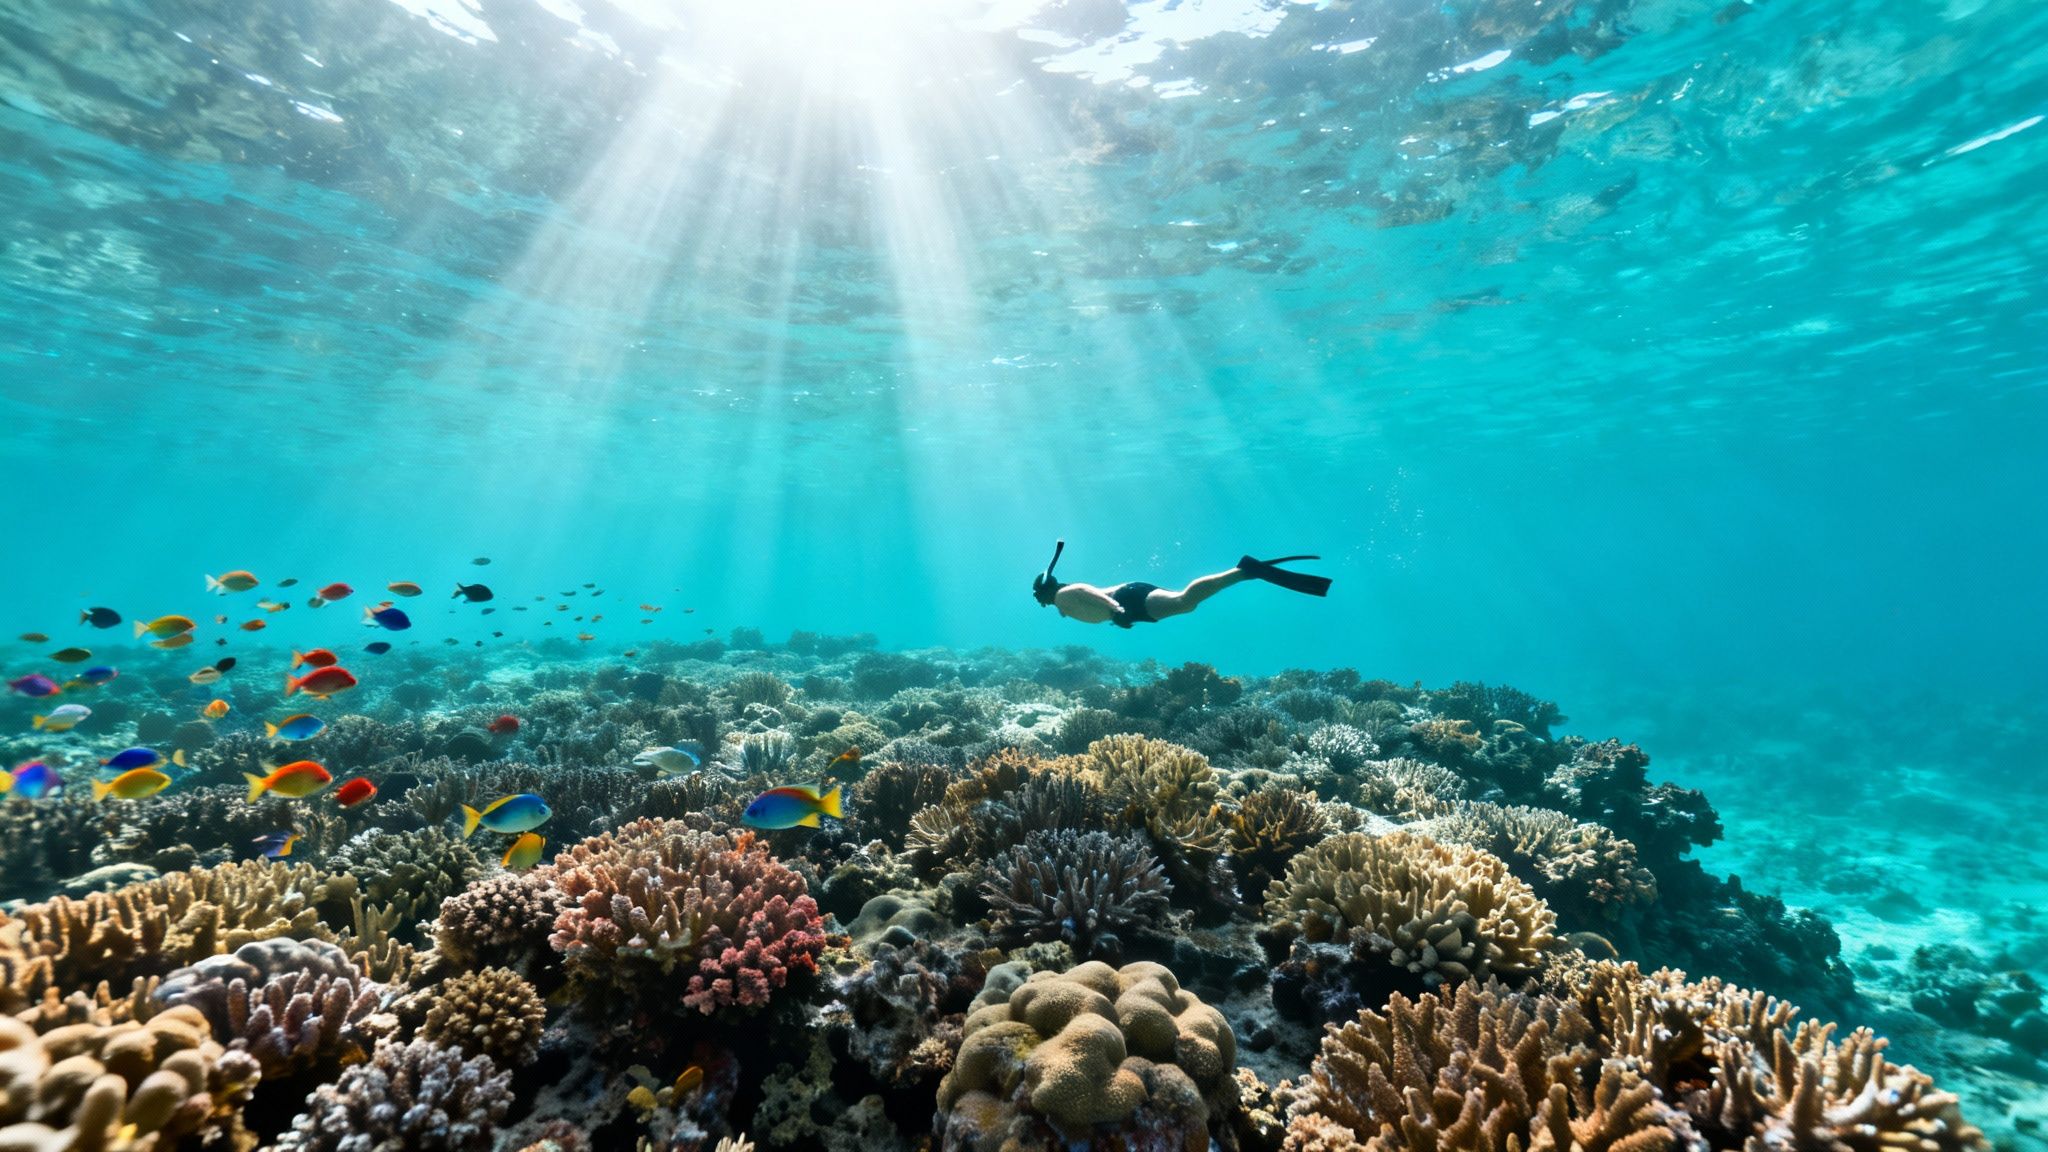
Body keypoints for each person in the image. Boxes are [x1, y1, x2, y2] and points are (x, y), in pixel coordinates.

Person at [1030, 540, 1330, 628]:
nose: (1037, 601)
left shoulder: (1067, 594)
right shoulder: (1061, 602)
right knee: (1184, 604)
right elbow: (1073, 603)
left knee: (1184, 602)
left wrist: (1114, 609)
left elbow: (1086, 592)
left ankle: (1242, 571)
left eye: (1037, 595)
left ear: (1046, 591)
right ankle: (1244, 571)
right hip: (1130, 604)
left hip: (1128, 601)